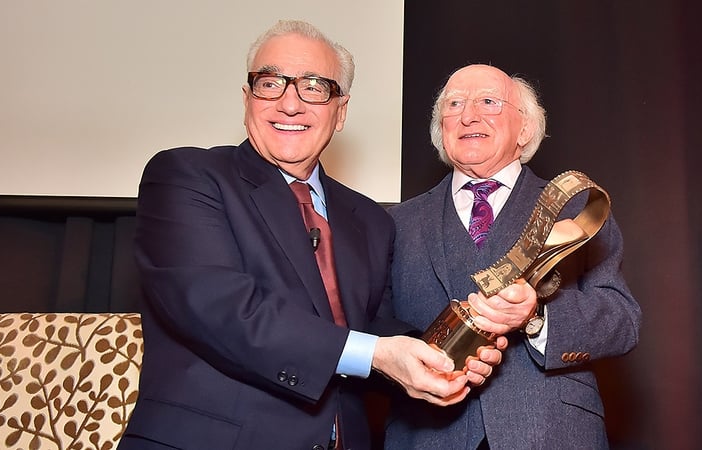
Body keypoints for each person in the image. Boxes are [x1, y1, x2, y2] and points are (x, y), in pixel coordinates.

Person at [117, 21, 503, 450]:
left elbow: (372, 327)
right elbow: (221, 308)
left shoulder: (370, 220)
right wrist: (377, 354)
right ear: (247, 99)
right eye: (270, 83)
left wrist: (448, 353)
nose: (289, 104)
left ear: (340, 112)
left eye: (314, 87)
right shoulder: (186, 177)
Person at [384, 64, 642, 450]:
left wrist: (537, 318)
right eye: (454, 104)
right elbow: (375, 327)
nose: (469, 115)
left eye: (488, 101)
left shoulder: (576, 208)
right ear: (441, 129)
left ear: (525, 129)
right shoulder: (395, 221)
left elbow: (622, 321)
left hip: (552, 434)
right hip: (425, 435)